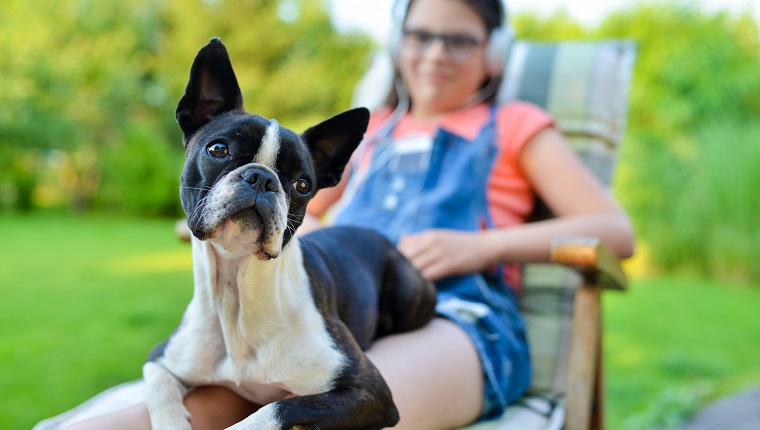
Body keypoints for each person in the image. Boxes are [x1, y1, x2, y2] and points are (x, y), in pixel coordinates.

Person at [60, 0, 634, 429]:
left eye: (459, 41)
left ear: (493, 53)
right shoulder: (375, 132)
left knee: (337, 415)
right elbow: (295, 215)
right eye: (422, 35)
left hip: (456, 314)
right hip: (321, 313)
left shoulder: (513, 125)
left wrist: (480, 247)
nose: (436, 53)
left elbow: (616, 231)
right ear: (399, 41)